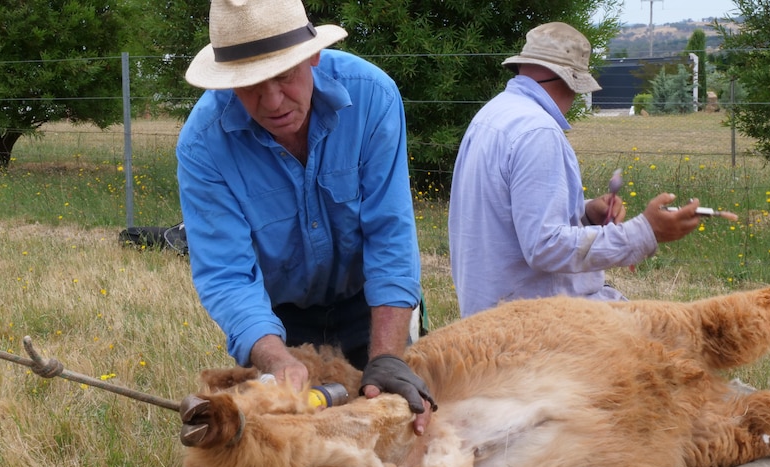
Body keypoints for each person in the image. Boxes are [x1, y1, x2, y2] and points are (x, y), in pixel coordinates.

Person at [176, 0, 435, 433]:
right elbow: (227, 274)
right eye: (251, 85)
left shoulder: (372, 97)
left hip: (369, 302)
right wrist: (276, 359)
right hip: (280, 316)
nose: (273, 101)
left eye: (284, 76)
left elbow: (389, 232)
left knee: (394, 432)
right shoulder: (203, 144)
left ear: (312, 56)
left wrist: (388, 356)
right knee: (296, 448)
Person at [448, 22, 702, 318]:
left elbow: (511, 218)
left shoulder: (493, 114)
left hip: (491, 315)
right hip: (536, 328)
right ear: (568, 80)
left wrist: (584, 214)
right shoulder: (537, 131)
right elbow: (545, 246)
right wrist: (645, 231)